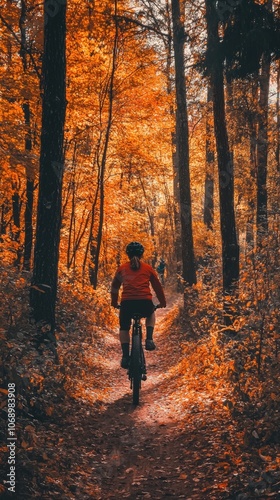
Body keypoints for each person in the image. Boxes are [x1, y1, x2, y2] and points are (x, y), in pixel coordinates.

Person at [111, 242, 166, 369]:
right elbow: (157, 287)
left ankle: (125, 357)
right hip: (144, 303)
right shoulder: (148, 268)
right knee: (151, 313)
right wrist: (162, 302)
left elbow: (114, 288)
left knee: (124, 328)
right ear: (142, 254)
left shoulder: (122, 269)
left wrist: (114, 302)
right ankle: (149, 339)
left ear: (127, 254)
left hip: (127, 304)